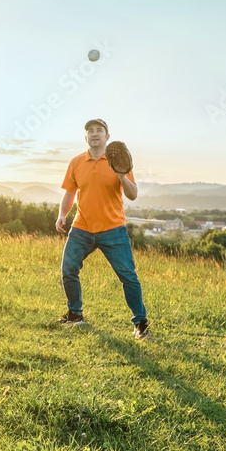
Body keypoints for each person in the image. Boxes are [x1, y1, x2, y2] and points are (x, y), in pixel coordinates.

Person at [55, 118, 149, 340]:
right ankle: (75, 314)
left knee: (128, 277)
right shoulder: (76, 162)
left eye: (99, 130)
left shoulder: (120, 161)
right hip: (82, 228)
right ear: (85, 137)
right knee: (68, 269)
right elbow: (69, 193)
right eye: (90, 131)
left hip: (113, 230)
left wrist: (121, 175)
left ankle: (140, 322)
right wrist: (62, 215)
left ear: (107, 136)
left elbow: (133, 194)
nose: (94, 134)